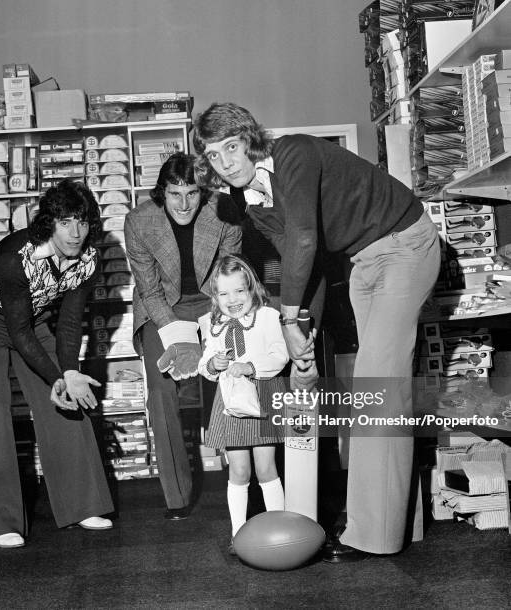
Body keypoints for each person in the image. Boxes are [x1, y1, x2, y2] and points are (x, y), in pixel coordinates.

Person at [192, 102, 441, 562]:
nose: (225, 162)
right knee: (379, 389)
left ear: (251, 139)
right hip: (364, 262)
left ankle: (376, 536)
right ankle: (390, 521)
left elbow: (305, 237)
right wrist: (304, 341)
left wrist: (288, 321)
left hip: (406, 246)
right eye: (212, 155)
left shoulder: (295, 155)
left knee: (378, 386)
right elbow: (309, 266)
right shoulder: (254, 202)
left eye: (231, 146)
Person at [0, 179, 114, 549]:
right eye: (65, 222)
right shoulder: (19, 254)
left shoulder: (90, 256)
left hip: (36, 320)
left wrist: (70, 374)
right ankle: (2, 521)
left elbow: (68, 322)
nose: (75, 232)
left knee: (67, 403)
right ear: (50, 222)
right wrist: (57, 378)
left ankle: (82, 505)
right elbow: (17, 331)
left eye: (81, 221)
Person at [124, 152, 241, 520]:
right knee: (161, 387)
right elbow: (150, 290)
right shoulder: (139, 221)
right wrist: (178, 338)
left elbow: (231, 277)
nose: (184, 203)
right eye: (175, 194)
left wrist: (214, 329)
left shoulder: (224, 212)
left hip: (214, 302)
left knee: (232, 376)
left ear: (202, 191)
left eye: (192, 193)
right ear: (162, 193)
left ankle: (242, 477)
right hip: (162, 308)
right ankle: (177, 495)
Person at [197, 254, 289, 554]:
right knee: (238, 471)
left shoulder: (267, 316)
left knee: (265, 467)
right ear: (215, 296)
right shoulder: (213, 324)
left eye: (239, 291)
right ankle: (238, 534)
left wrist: (250, 366)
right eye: (223, 293)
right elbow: (204, 366)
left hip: (262, 398)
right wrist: (213, 363)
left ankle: (279, 528)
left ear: (252, 288)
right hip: (232, 402)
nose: (232, 299)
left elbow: (280, 355)